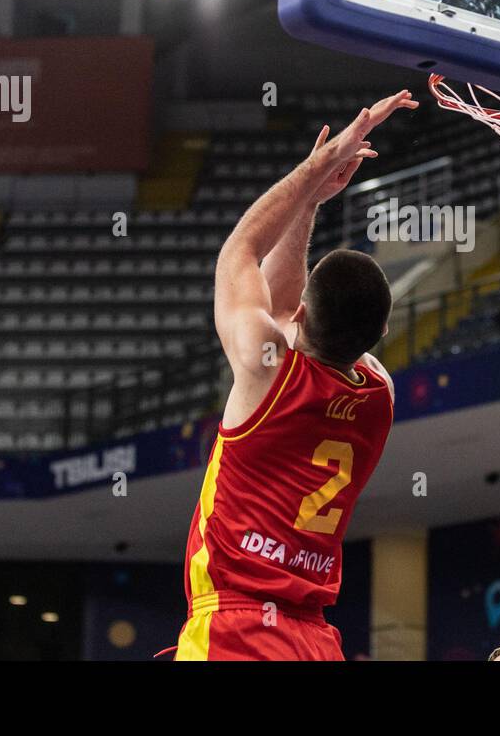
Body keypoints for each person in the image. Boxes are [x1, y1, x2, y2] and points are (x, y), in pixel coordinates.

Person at [170, 90, 418, 661]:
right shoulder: (379, 391)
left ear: (303, 316)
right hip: (313, 641)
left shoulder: (267, 371)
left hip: (235, 632)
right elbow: (286, 308)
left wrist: (314, 172)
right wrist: (309, 206)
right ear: (377, 337)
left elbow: (240, 250)